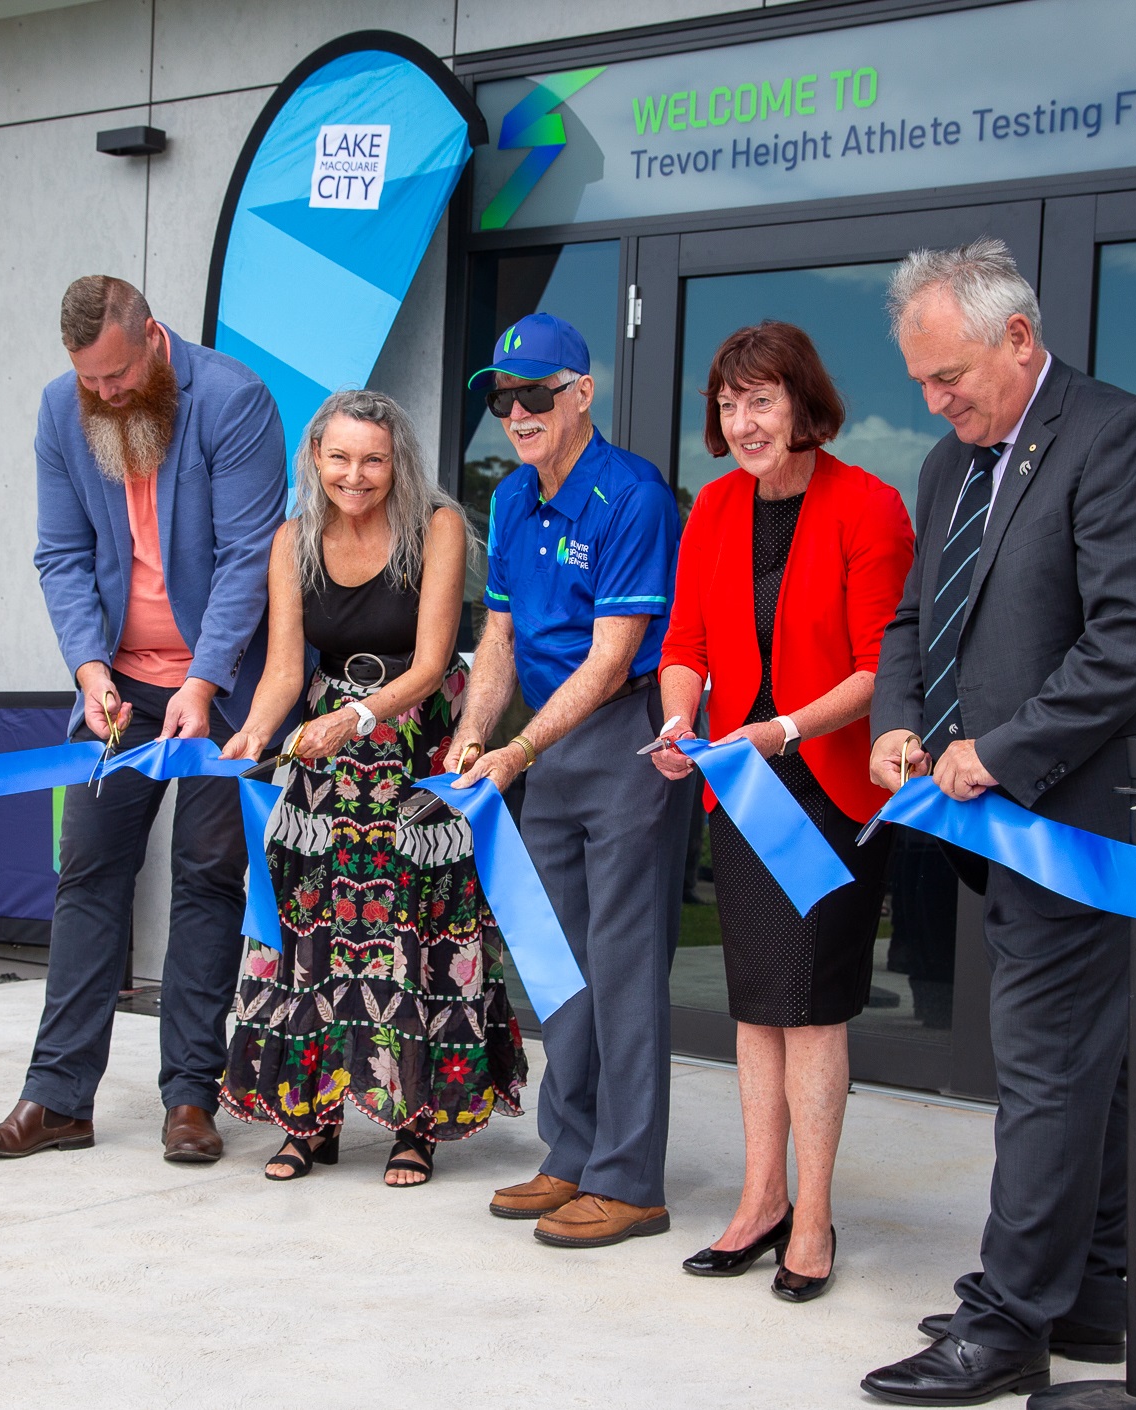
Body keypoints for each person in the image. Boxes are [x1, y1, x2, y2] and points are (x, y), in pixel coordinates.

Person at [858, 241, 1136, 1405]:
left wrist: (1000, 749)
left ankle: (1008, 1317)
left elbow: (1130, 637)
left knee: (1040, 1068)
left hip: (1096, 821)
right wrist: (897, 721)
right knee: (1092, 1070)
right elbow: (915, 619)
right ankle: (1094, 1286)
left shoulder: (1119, 437)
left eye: (949, 376)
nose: (933, 401)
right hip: (1007, 821)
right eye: (919, 381)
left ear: (1017, 338)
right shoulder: (946, 465)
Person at [0, 276, 285, 1163]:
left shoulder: (233, 401)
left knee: (207, 877)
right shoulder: (63, 410)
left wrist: (206, 680)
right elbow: (60, 554)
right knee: (87, 875)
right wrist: (91, 670)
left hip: (227, 694)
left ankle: (190, 1100)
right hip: (121, 693)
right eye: (87, 380)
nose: (101, 395)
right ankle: (55, 1099)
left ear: (152, 338)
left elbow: (251, 553)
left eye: (114, 376)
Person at [651, 321, 914, 1301]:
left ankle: (813, 1217)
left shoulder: (869, 507)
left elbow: (880, 668)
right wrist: (682, 720)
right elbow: (684, 643)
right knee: (757, 1006)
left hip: (830, 785)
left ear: (804, 403)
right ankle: (761, 1200)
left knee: (811, 1007)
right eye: (728, 402)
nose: (743, 419)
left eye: (761, 399)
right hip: (743, 785)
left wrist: (783, 730)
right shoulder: (713, 508)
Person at [218, 389, 528, 1184]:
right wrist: (254, 732)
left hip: (415, 745)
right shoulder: (291, 540)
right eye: (340, 458)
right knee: (313, 932)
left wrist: (353, 720)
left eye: (374, 459)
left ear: (399, 462)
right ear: (315, 459)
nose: (356, 475)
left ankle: (414, 1124)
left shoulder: (440, 527)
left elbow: (431, 666)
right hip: (325, 756)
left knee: (412, 936)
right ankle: (309, 1118)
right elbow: (287, 668)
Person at [441, 311, 693, 1249]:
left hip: (620, 735)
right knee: (556, 967)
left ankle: (631, 1181)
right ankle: (570, 1154)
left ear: (582, 394)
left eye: (536, 394)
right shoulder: (509, 500)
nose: (517, 412)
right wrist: (475, 733)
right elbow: (499, 635)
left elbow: (612, 652)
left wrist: (518, 750)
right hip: (543, 748)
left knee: (624, 970)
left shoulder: (633, 495)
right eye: (504, 398)